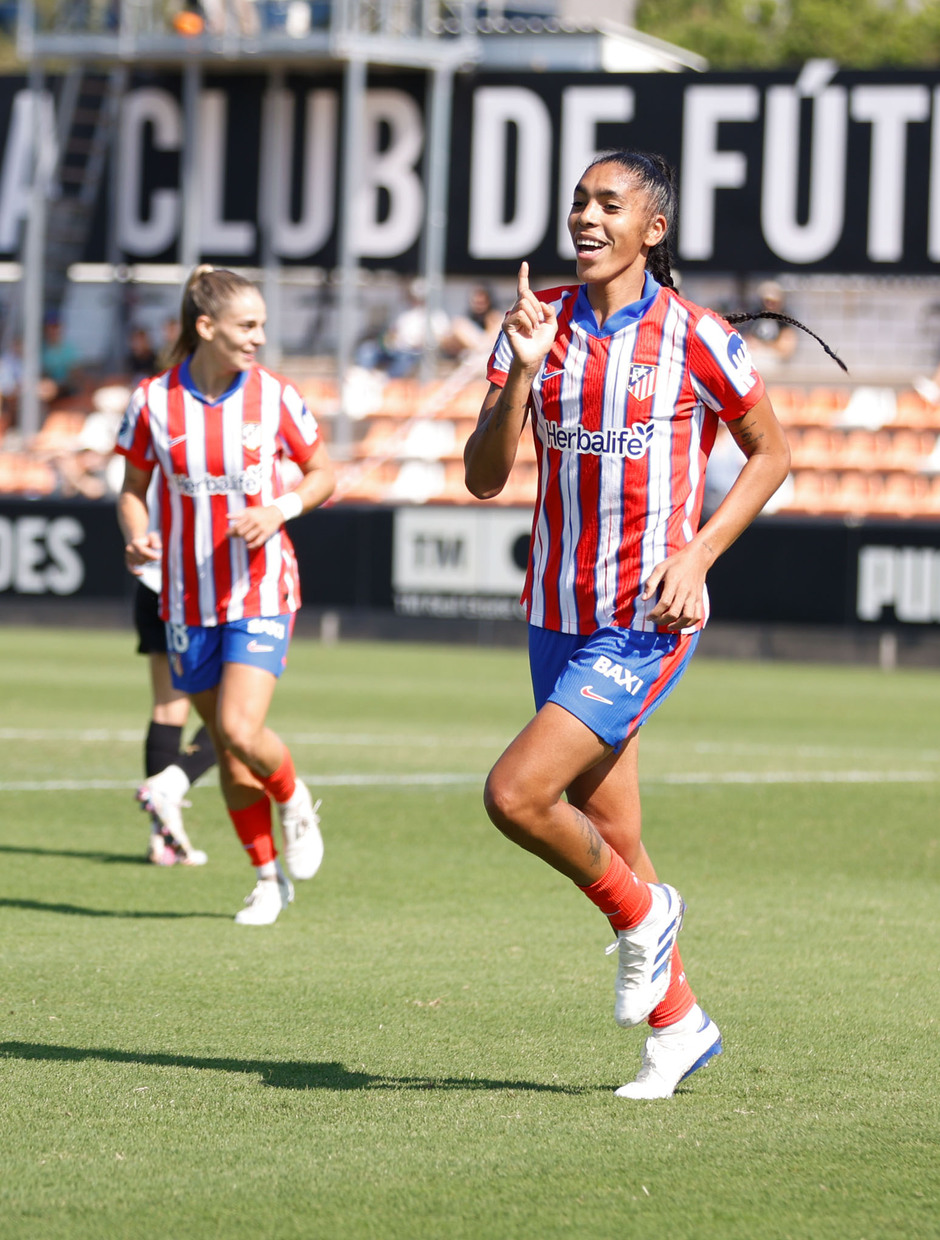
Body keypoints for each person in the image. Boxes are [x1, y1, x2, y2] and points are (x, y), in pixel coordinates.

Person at [464, 149, 793, 1100]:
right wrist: (520, 374)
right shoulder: (536, 327)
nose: (587, 217)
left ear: (654, 228)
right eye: (578, 202)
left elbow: (771, 457)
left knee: (517, 796)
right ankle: (680, 1026)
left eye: (610, 203)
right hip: (556, 615)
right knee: (612, 832)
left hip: (646, 619)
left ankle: (650, 921)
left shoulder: (695, 336)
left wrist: (696, 556)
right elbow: (486, 475)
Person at [116, 265, 336, 924]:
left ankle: (296, 799)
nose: (259, 338)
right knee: (231, 749)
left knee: (241, 728)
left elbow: (324, 472)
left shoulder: (274, 398)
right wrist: (136, 535)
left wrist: (281, 508)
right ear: (206, 327)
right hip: (184, 599)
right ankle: (267, 879)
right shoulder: (153, 402)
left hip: (262, 588)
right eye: (248, 326)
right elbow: (132, 490)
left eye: (262, 325)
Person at [133, 472, 215, 866]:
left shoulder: (157, 426)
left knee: (168, 708)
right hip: (199, 587)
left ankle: (162, 838)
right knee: (237, 718)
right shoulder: (211, 429)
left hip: (153, 581)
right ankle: (169, 788)